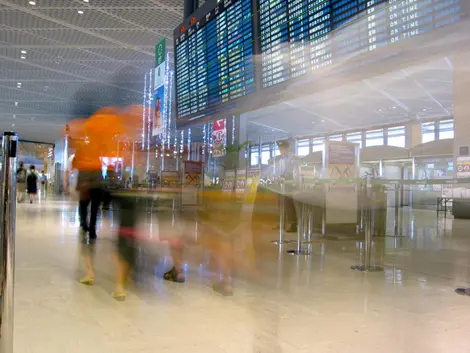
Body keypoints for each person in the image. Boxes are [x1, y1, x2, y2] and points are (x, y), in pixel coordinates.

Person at [271, 140, 300, 232]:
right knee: (280, 204)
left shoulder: (294, 158)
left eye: (282, 148)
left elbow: (297, 170)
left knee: (288, 204)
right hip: (280, 182)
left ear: (288, 148)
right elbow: (277, 170)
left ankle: (293, 224)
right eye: (280, 148)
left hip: (290, 182)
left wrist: (295, 182)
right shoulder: (279, 159)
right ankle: (282, 223)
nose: (281, 150)